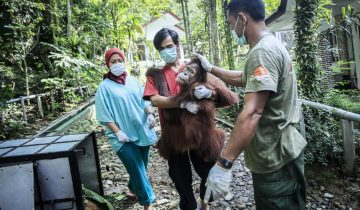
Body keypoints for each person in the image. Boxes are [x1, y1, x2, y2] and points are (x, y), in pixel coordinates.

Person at [193, 0, 307, 209]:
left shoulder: (261, 53)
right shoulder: (270, 44)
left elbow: (253, 111)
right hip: (284, 149)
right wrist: (211, 68)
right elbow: (245, 77)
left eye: (230, 23)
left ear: (242, 19)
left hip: (274, 156)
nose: (231, 29)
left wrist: (224, 163)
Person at [143, 28, 216, 210]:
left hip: (198, 133)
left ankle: (204, 203)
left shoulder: (193, 68)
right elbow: (155, 99)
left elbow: (214, 89)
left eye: (169, 46)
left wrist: (208, 92)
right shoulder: (155, 75)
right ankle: (189, 206)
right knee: (181, 179)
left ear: (177, 45)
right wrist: (181, 103)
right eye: (161, 49)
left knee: (209, 172)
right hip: (174, 136)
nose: (166, 51)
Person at [95, 48, 157, 210]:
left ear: (124, 61)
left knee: (141, 165)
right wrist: (117, 132)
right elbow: (103, 113)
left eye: (119, 60)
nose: (117, 64)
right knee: (138, 170)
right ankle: (147, 203)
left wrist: (150, 114)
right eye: (113, 61)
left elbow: (144, 101)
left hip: (141, 130)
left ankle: (132, 188)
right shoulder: (104, 87)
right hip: (121, 136)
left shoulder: (133, 81)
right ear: (108, 64)